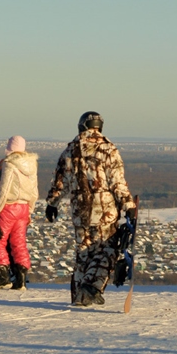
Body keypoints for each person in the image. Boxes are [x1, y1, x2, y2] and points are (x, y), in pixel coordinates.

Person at [45, 111, 136, 307]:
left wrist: (52, 203)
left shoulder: (70, 150)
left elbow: (60, 182)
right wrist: (128, 205)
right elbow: (117, 182)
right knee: (108, 250)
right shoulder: (107, 149)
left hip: (80, 212)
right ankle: (92, 286)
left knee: (84, 255)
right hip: (104, 212)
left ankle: (79, 298)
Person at [0, 136, 38, 290]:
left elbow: (4, 190)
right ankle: (21, 280)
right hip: (24, 208)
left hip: (9, 208)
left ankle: (3, 277)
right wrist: (30, 211)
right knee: (19, 243)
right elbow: (34, 190)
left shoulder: (9, 164)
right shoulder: (32, 164)